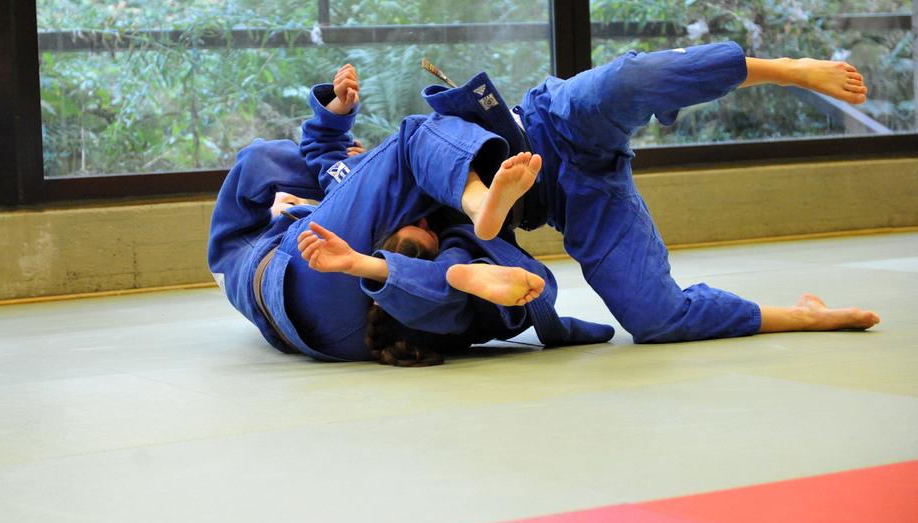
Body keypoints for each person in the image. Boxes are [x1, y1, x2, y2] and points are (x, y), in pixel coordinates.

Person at [411, 41, 879, 343]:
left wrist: (334, 118)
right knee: (655, 319)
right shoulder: (427, 263)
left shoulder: (390, 169)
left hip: (552, 119)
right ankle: (803, 315)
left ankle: (786, 67)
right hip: (575, 198)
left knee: (631, 80)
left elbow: (349, 157)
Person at [209, 64, 611, 364]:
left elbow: (319, 154)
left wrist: (335, 115)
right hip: (373, 301)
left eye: (413, 224)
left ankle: (454, 248)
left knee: (261, 157)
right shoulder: (348, 216)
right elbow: (327, 161)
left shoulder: (249, 253)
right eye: (421, 225)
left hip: (342, 319)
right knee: (416, 141)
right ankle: (472, 211)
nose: (419, 218)